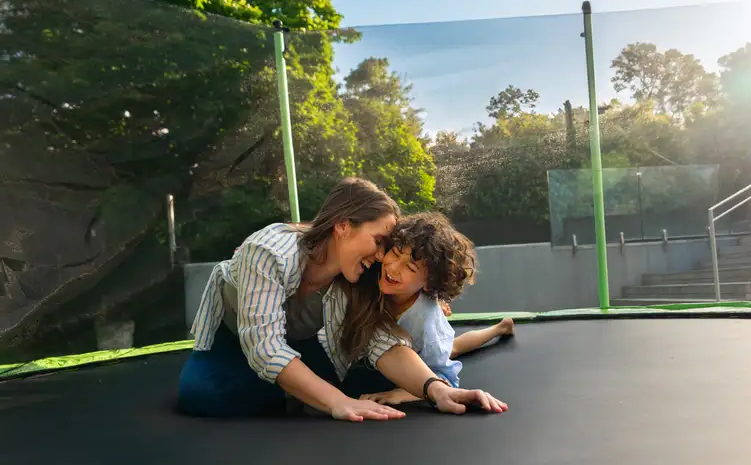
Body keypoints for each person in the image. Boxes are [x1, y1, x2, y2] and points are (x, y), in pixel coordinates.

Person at [178, 177, 507, 421]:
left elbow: (377, 338)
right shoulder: (267, 253)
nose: (381, 257)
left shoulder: (352, 277)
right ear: (343, 226)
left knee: (356, 376)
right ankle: (293, 388)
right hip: (235, 338)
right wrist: (335, 400)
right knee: (203, 394)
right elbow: (265, 347)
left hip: (297, 342)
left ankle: (296, 388)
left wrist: (438, 390)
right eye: (378, 241)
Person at [321, 212, 514, 406]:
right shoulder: (373, 270)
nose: (394, 268)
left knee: (451, 349)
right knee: (452, 347)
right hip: (397, 346)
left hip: (425, 345)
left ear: (429, 283)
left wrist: (403, 393)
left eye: (410, 268)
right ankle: (501, 326)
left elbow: (446, 379)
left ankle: (499, 328)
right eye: (395, 253)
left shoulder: (426, 321)